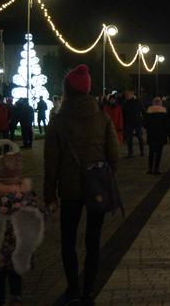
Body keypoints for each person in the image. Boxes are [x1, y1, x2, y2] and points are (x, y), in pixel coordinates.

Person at [44, 64, 120, 304]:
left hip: (69, 190)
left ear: (67, 90)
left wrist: (49, 194)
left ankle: (73, 289)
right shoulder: (102, 117)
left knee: (68, 240)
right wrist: (105, 178)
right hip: (96, 187)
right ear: (88, 90)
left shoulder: (58, 121)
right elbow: (114, 155)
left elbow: (51, 161)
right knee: (93, 239)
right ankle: (89, 289)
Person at [0, 140, 45, 306]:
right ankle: (16, 297)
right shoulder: (24, 193)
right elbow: (35, 213)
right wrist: (49, 210)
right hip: (17, 242)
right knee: (15, 272)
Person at [143, 97, 169, 174]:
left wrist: (149, 128)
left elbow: (145, 124)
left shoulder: (149, 111)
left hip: (152, 134)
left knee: (151, 152)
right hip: (161, 134)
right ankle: (156, 169)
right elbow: (167, 124)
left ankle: (150, 168)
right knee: (159, 153)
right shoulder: (164, 111)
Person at [122, 90, 145, 158]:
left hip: (134, 123)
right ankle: (134, 152)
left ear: (131, 94)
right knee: (133, 138)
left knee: (137, 138)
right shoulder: (127, 103)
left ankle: (137, 151)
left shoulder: (128, 103)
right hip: (132, 123)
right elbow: (143, 111)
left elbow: (143, 111)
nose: (126, 96)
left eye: (127, 94)